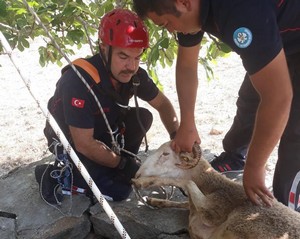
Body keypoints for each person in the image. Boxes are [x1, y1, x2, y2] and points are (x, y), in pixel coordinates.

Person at [132, 0, 300, 211]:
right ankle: (235, 156)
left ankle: (288, 213)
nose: (171, 30)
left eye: (166, 24)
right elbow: (186, 66)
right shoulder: (190, 10)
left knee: (294, 134)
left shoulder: (240, 11)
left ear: (183, 3)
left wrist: (255, 167)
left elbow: (278, 96)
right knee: (249, 99)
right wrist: (187, 123)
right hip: (277, 34)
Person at [35, 9, 179, 204]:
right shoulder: (78, 82)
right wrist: (121, 164)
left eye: (137, 57)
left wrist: (177, 137)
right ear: (104, 48)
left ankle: (114, 165)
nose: (131, 66)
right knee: (118, 193)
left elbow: (162, 104)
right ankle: (57, 175)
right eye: (123, 56)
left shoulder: (133, 75)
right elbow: (84, 143)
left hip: (103, 130)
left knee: (143, 117)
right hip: (74, 142)